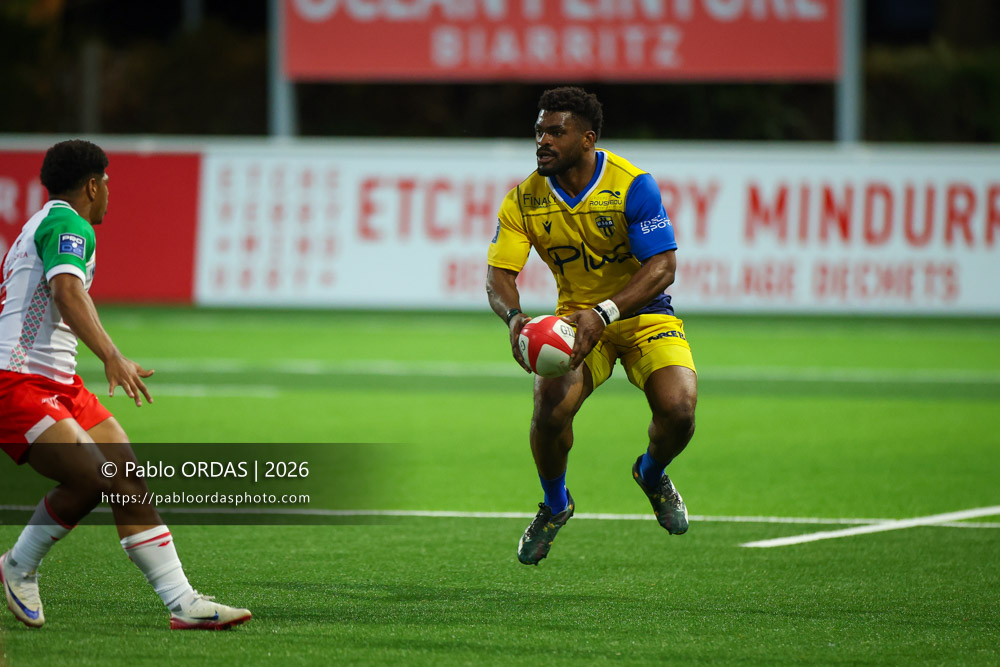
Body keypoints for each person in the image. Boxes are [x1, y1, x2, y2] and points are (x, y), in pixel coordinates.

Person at [0, 139, 250, 629]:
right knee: (93, 477)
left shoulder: (43, 223)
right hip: (17, 382)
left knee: (125, 476)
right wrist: (113, 357)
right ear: (93, 186)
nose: (110, 193)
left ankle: (182, 603)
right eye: (108, 182)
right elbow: (66, 291)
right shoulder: (68, 224)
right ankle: (18, 566)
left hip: (56, 381)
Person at [486, 87, 698, 565]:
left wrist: (605, 312)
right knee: (549, 410)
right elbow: (498, 276)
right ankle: (555, 505)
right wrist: (515, 318)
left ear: (587, 139)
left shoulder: (632, 184)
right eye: (538, 132)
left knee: (679, 411)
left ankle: (650, 473)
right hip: (574, 322)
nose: (542, 141)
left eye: (555, 132)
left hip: (642, 316)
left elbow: (663, 266)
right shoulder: (523, 200)